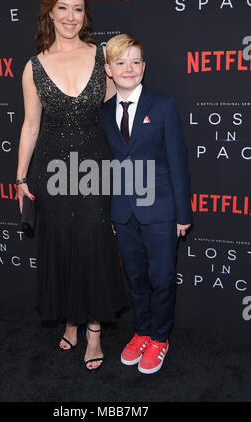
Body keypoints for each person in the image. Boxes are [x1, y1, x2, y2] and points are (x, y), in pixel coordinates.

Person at [16, 0, 128, 371]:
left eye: (77, 9)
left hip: (94, 167)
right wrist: (20, 179)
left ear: (85, 15)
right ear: (50, 13)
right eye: (62, 8)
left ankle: (94, 331)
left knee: (92, 243)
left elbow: (120, 107)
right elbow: (31, 126)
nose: (69, 17)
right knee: (62, 243)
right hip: (51, 170)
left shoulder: (103, 57)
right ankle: (70, 322)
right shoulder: (34, 66)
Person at [101, 34, 192, 374]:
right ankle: (141, 332)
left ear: (144, 67)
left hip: (162, 210)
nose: (129, 68)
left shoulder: (163, 105)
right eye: (121, 62)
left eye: (136, 61)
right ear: (109, 69)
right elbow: (110, 164)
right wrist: (112, 210)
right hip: (124, 213)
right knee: (135, 277)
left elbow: (178, 162)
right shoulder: (105, 112)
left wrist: (183, 213)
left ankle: (160, 338)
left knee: (163, 278)